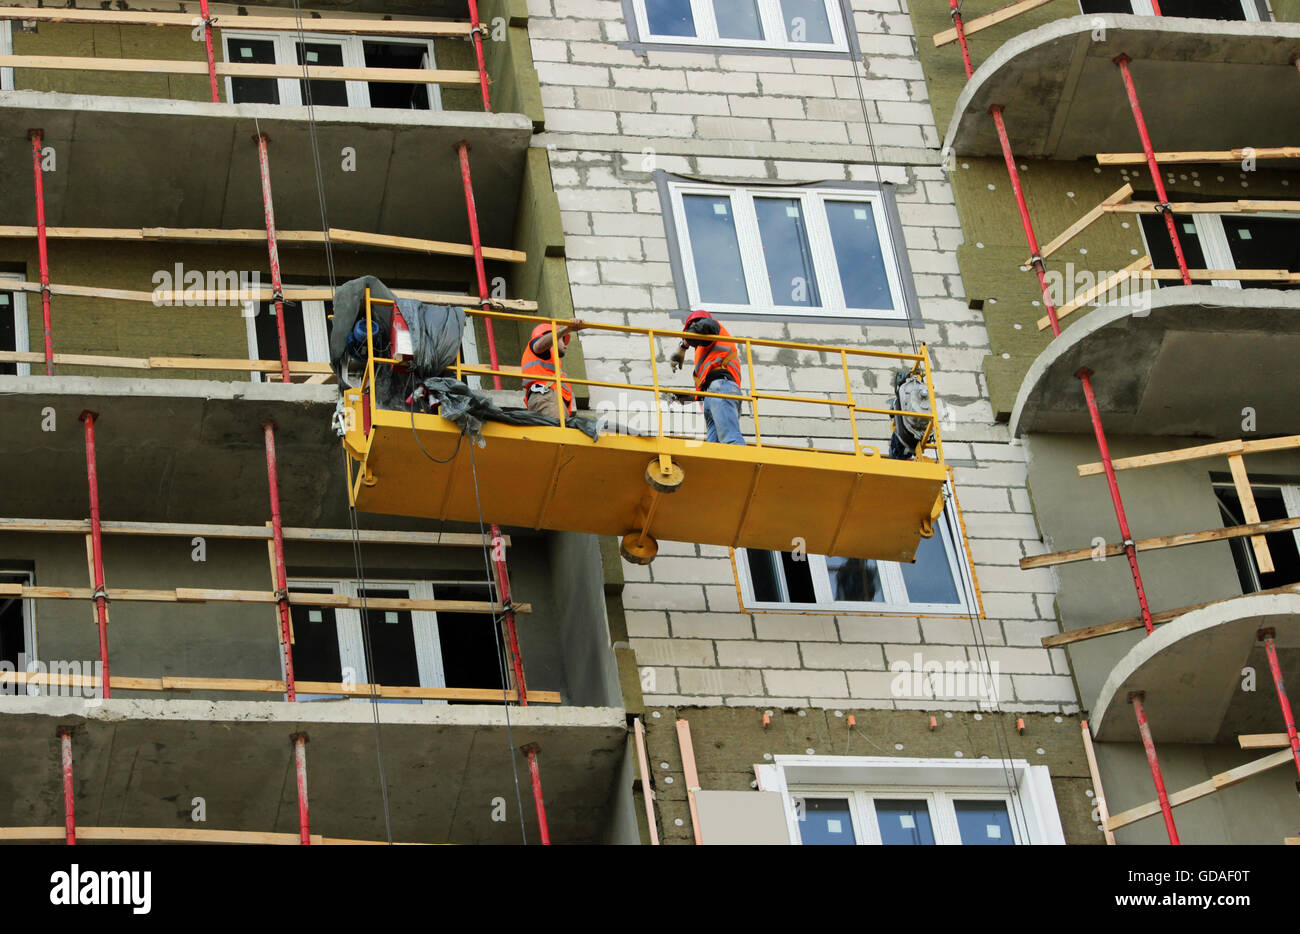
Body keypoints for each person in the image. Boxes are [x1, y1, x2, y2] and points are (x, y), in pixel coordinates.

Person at [669, 309, 745, 445]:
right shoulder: (706, 348)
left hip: (722, 389)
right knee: (715, 449)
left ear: (695, 322)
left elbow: (703, 327)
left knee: (730, 439)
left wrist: (683, 346)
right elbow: (709, 381)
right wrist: (691, 397)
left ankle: (743, 466)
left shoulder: (712, 325)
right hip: (714, 395)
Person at [520, 319, 587, 419]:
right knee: (555, 431)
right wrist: (566, 330)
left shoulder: (550, 363)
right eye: (562, 339)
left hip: (549, 399)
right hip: (547, 397)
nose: (565, 346)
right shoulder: (537, 346)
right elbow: (539, 345)